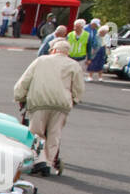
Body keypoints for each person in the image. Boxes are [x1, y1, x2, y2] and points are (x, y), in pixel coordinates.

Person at [14, 39, 83, 175]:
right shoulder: (74, 65)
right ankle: (49, 163)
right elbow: (78, 87)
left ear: (54, 50)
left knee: (37, 133)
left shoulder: (41, 60)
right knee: (54, 134)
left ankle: (40, 161)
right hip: (61, 104)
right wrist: (74, 99)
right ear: (67, 52)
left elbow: (25, 80)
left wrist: (19, 96)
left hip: (39, 102)